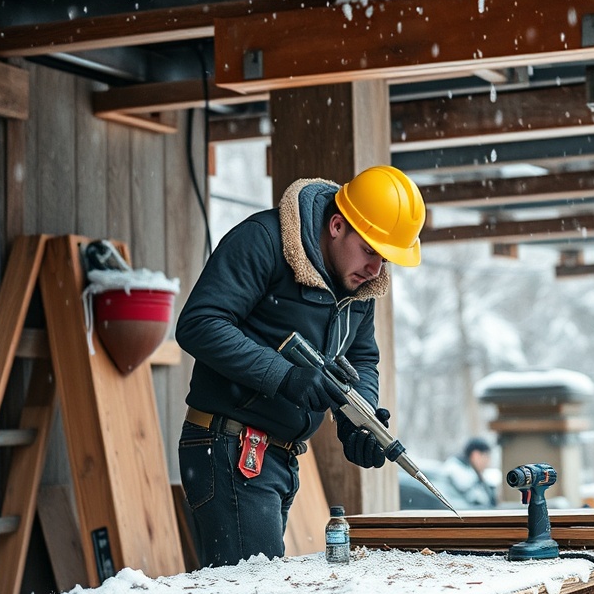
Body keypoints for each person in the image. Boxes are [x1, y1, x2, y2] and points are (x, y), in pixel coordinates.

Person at [175, 165, 426, 566]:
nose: (376, 270)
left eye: (385, 259)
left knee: (261, 592)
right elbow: (199, 325)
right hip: (231, 446)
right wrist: (285, 376)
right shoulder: (263, 241)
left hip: (278, 456)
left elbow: (362, 357)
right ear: (337, 225)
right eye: (370, 251)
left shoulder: (358, 284)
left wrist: (357, 420)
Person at [442, 437, 498, 508]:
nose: (488, 462)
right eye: (486, 457)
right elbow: (479, 502)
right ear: (476, 455)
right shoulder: (458, 471)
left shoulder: (470, 471)